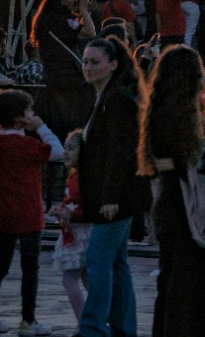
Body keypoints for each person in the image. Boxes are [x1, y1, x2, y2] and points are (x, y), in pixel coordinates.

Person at [139, 45, 205, 337]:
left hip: (167, 198)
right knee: (189, 283)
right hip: (185, 200)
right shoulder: (185, 119)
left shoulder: (157, 112)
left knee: (170, 281)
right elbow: (189, 161)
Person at [74, 36, 142, 337]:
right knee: (116, 263)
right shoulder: (104, 96)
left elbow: (120, 150)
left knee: (98, 258)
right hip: (114, 195)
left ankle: (92, 328)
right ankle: (123, 328)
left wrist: (112, 196)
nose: (87, 67)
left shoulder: (115, 99)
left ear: (113, 65)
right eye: (85, 61)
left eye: (95, 62)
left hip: (115, 197)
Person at [0, 89, 64, 337]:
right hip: (30, 213)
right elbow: (58, 152)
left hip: (6, 213)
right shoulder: (28, 145)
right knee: (30, 269)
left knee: (1, 266)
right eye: (29, 111)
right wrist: (41, 127)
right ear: (20, 117)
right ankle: (27, 321)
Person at [31, 0, 97, 141]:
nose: (75, 0)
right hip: (69, 82)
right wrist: (83, 9)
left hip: (52, 79)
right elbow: (91, 32)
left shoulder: (45, 19)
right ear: (61, 0)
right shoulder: (61, 20)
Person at [52, 129, 91, 320]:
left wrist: (71, 214)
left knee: (69, 280)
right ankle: (97, 318)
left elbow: (88, 209)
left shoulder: (84, 177)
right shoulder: (74, 176)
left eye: (71, 148)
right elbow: (70, 202)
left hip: (80, 234)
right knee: (87, 280)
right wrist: (60, 210)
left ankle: (84, 321)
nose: (65, 152)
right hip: (73, 232)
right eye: (65, 147)